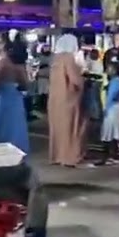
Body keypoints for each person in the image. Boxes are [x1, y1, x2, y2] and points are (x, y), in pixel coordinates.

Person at [0, 32, 31, 153]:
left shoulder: (1, 61)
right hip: (15, 99)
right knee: (14, 130)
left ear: (2, 44)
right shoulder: (17, 62)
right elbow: (25, 84)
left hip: (0, 98)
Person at [47, 33, 87, 166]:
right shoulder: (69, 58)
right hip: (68, 100)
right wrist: (83, 80)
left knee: (57, 130)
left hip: (54, 100)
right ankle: (69, 157)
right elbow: (75, 80)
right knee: (70, 129)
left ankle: (56, 156)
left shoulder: (55, 59)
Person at [99, 60, 119, 164]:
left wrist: (106, 108)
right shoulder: (117, 81)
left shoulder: (115, 82)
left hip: (112, 109)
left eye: (109, 68)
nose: (107, 70)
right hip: (116, 108)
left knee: (108, 133)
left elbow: (111, 97)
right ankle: (112, 156)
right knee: (114, 133)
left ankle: (107, 157)